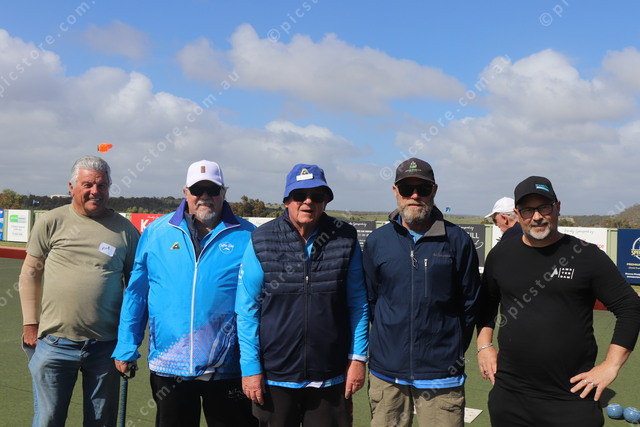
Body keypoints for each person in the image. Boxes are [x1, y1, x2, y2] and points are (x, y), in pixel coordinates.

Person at [476, 176, 640, 427]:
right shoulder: (501, 255)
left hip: (571, 398)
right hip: (510, 397)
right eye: (528, 210)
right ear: (517, 214)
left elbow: (630, 307)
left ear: (558, 207)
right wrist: (484, 346)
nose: (537, 217)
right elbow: (486, 304)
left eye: (544, 207)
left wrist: (611, 365)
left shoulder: (586, 255)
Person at [112, 160, 257, 426]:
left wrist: (255, 363)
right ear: (185, 192)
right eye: (197, 190)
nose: (205, 197)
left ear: (224, 192)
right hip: (170, 365)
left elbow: (259, 302)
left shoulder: (248, 235)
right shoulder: (157, 232)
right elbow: (137, 293)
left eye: (212, 190)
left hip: (227, 368)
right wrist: (126, 345)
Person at [236, 163, 369, 427]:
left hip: (330, 376)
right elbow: (247, 309)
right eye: (300, 195)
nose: (308, 201)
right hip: (275, 376)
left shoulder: (345, 237)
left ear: (325, 201)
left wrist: (357, 359)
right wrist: (250, 368)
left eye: (316, 195)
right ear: (287, 200)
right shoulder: (261, 238)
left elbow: (358, 304)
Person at [19, 155, 140, 426]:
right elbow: (30, 273)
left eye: (102, 185)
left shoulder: (125, 231)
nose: (95, 191)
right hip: (54, 344)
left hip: (106, 347)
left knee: (101, 422)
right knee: (48, 420)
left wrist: (128, 342)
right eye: (88, 184)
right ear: (72, 187)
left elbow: (136, 289)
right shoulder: (51, 221)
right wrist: (30, 324)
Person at [363, 157, 482, 427]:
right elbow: (372, 300)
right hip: (387, 374)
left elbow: (470, 303)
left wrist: (448, 348)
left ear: (434, 191)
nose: (415, 196)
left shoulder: (458, 241)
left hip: (441, 375)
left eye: (423, 188)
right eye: (407, 189)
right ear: (395, 191)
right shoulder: (377, 241)